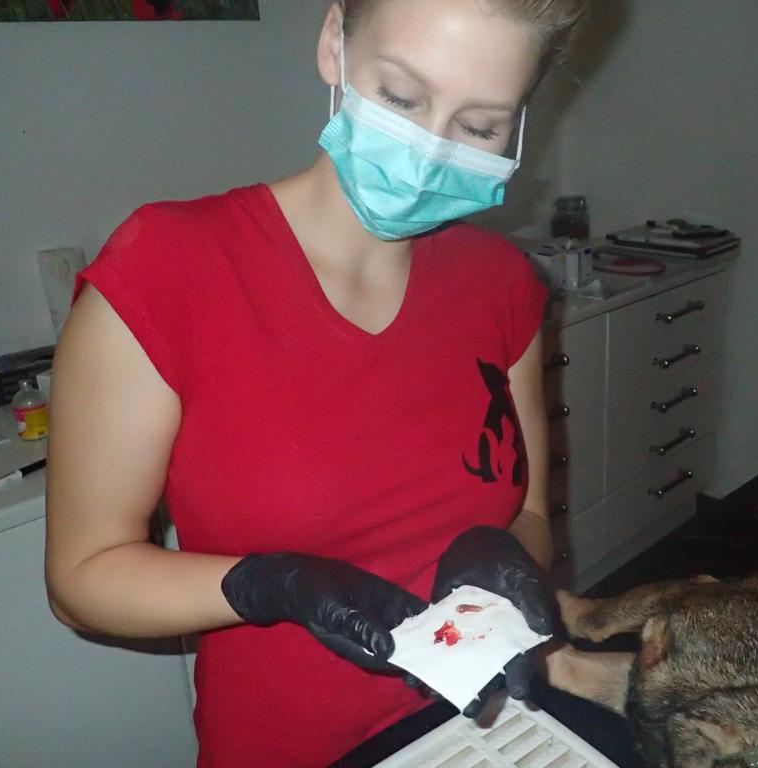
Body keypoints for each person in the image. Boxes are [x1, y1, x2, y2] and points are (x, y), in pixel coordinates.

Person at [44, 0, 589, 765]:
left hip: (483, 730)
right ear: (335, 42)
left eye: (480, 127)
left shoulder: (501, 283)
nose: (429, 151)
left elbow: (529, 510)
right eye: (402, 97)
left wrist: (507, 555)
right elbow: (81, 579)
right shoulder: (169, 272)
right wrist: (268, 586)